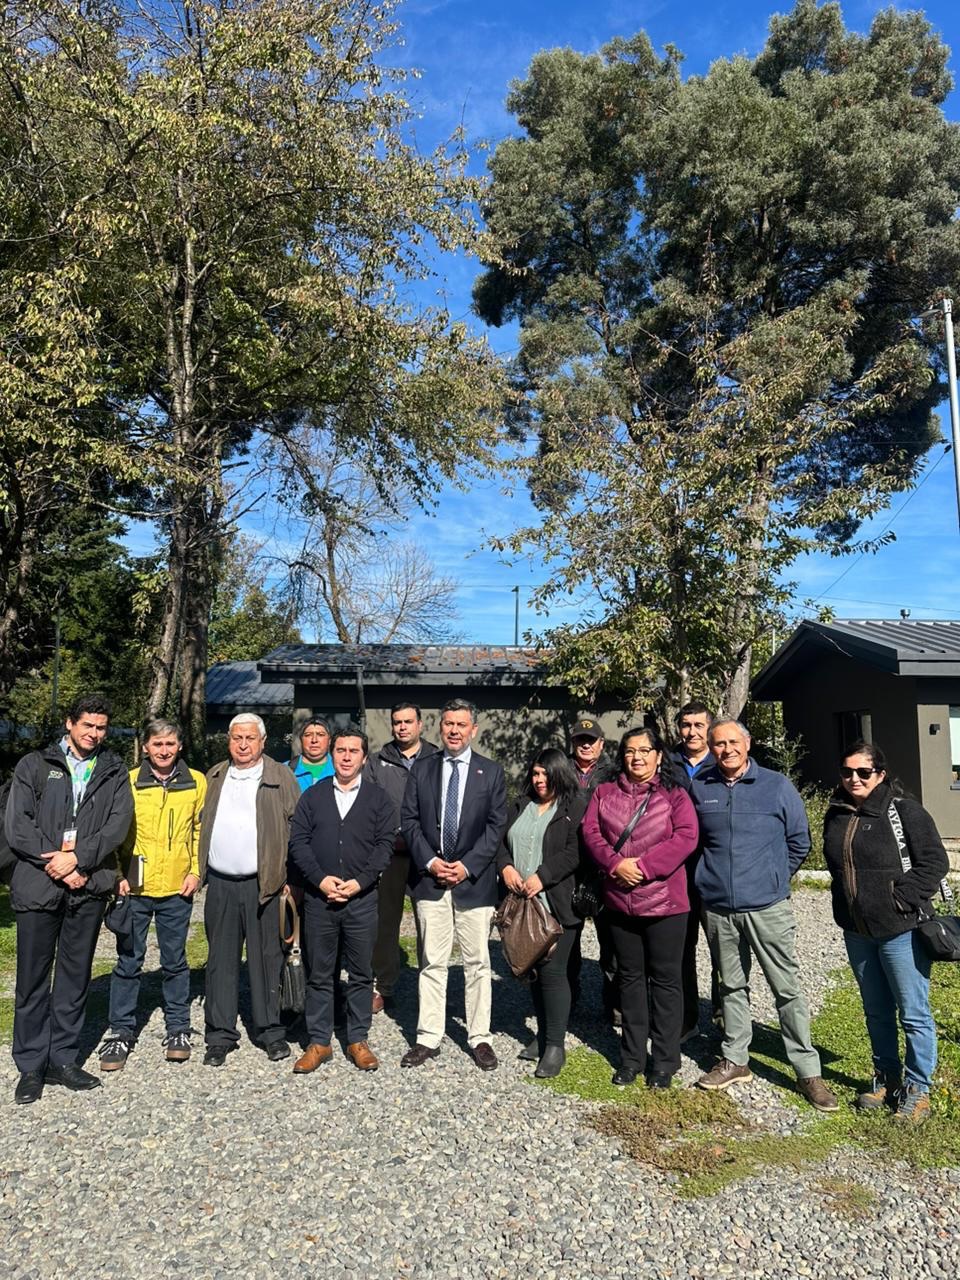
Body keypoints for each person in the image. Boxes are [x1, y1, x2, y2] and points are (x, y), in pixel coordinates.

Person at [690, 720, 837, 1111]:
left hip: (767, 907)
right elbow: (694, 842)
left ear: (748, 743)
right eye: (718, 744)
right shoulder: (700, 786)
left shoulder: (776, 785)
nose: (726, 749)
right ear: (711, 748)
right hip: (719, 908)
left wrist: (773, 878)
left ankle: (808, 1071)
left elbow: (800, 840)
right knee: (730, 987)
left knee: (786, 988)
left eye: (733, 742)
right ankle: (735, 1059)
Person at [4, 694, 133, 1105]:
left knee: (75, 978)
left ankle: (63, 1058)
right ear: (69, 723)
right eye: (87, 725)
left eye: (101, 727)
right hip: (39, 884)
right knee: (32, 980)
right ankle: (31, 1065)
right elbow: (17, 824)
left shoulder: (113, 769)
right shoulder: (34, 765)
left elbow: (117, 825)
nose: (94, 734)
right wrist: (57, 863)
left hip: (88, 885)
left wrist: (78, 859)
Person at [823, 741, 948, 1123]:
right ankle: (887, 1079)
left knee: (913, 1013)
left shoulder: (904, 811)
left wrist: (900, 898)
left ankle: (918, 1090)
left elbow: (934, 862)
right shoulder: (837, 812)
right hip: (857, 931)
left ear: (880, 774)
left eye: (864, 772)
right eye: (847, 772)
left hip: (900, 930)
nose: (854, 779)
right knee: (876, 1011)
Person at [582, 726, 698, 1088]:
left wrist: (644, 868)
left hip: (666, 903)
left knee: (665, 982)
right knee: (629, 980)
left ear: (659, 756)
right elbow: (591, 833)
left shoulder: (675, 795)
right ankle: (631, 1057)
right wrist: (615, 864)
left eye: (645, 750)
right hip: (620, 901)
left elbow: (686, 836)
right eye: (630, 751)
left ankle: (664, 1061)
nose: (637, 757)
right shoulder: (604, 792)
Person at [400, 698, 507, 1070]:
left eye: (462, 724)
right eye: (449, 724)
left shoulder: (491, 772)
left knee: (477, 962)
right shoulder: (423, 769)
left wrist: (466, 867)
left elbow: (496, 827)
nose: (454, 730)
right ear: (440, 727)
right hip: (431, 882)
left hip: (473, 883)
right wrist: (431, 862)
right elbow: (409, 821)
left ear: (473, 729)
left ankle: (479, 1037)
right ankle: (428, 1037)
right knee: (432, 961)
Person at [99, 717, 206, 1071]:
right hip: (135, 888)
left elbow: (199, 832)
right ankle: (120, 1030)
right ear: (145, 747)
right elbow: (114, 832)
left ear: (180, 746)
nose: (164, 750)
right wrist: (117, 875)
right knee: (129, 961)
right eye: (157, 744)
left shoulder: (197, 782)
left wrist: (196, 872)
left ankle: (178, 1029)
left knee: (175, 961)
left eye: (170, 744)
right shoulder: (129, 782)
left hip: (177, 887)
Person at [287, 725, 395, 1073]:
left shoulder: (378, 799)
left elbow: (384, 846)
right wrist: (320, 880)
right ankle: (319, 1041)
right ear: (332, 754)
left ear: (364, 758)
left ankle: (357, 1038)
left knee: (361, 973)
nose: (346, 757)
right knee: (320, 973)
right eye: (341, 750)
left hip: (361, 900)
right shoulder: (313, 796)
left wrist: (360, 882)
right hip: (320, 901)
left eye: (353, 751)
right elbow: (298, 842)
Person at [198, 713, 301, 1066]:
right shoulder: (214, 775)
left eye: (250, 738)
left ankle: (270, 1031)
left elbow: (297, 829)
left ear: (263, 741)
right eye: (237, 738)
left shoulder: (281, 776)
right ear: (229, 741)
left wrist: (291, 878)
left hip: (266, 884)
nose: (243, 745)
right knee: (220, 960)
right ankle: (220, 1035)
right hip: (221, 883)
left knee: (267, 959)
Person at [497, 749, 587, 1078]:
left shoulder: (574, 806)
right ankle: (543, 1034)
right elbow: (499, 843)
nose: (539, 780)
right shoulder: (520, 805)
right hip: (521, 905)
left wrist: (543, 875)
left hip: (557, 904)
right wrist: (505, 867)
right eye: (535, 774)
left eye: (545, 774)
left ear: (559, 774)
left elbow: (576, 852)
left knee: (553, 973)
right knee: (533, 969)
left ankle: (555, 1046)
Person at [362, 702, 438, 1012]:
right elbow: (367, 804)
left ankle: (431, 990)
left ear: (420, 724)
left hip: (428, 853)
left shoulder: (437, 759)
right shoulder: (378, 761)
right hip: (390, 853)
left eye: (408, 721)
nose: (402, 727)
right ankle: (383, 985)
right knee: (385, 923)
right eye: (397, 722)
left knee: (430, 923)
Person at [669, 700, 722, 1040]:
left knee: (723, 951)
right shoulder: (666, 762)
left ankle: (724, 1018)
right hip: (677, 873)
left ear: (709, 728)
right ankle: (686, 1020)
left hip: (715, 871)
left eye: (698, 725)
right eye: (686, 725)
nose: (691, 732)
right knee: (680, 951)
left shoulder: (723, 760)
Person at [567, 712, 620, 1023]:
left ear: (601, 743)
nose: (585, 745)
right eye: (580, 740)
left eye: (591, 741)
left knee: (611, 942)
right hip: (568, 866)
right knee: (567, 941)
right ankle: (567, 1002)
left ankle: (615, 1005)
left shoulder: (615, 773)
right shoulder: (560, 770)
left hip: (603, 866)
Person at [287, 716, 335, 792]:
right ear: (301, 739)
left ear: (329, 740)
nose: (314, 740)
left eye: (320, 735)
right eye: (308, 735)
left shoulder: (342, 770)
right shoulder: (283, 770)